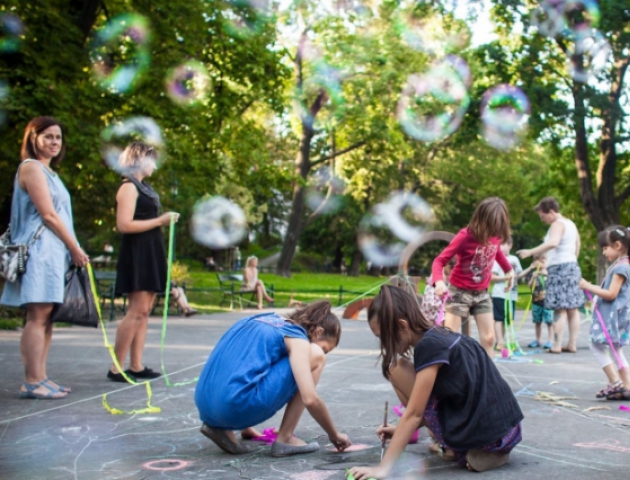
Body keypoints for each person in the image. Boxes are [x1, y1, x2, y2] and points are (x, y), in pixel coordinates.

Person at [348, 286, 523, 479]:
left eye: (383, 337)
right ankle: (463, 447)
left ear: (402, 326)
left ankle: (479, 450)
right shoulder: (441, 335)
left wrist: (383, 468)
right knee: (396, 368)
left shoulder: (429, 346)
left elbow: (414, 413)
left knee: (395, 368)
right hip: (505, 427)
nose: (384, 344)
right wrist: (400, 431)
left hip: (490, 434)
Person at [1, 117, 89, 399]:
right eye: (48, 136)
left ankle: (41, 376)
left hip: (54, 253)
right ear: (33, 138)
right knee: (37, 316)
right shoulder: (31, 168)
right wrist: (74, 247)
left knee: (47, 317)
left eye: (58, 137)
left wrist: (70, 248)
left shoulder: (51, 173)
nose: (54, 142)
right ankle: (31, 381)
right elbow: (48, 215)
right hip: (39, 252)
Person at [195, 301, 351, 456]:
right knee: (316, 356)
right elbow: (310, 399)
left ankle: (223, 428)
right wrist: (334, 434)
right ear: (317, 332)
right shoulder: (298, 338)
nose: (323, 352)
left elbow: (241, 366)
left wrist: (245, 427)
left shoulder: (262, 319)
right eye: (325, 348)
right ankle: (285, 438)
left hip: (205, 407)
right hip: (235, 407)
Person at [108, 142, 178, 383]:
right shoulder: (128, 187)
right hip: (138, 252)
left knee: (145, 311)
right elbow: (124, 224)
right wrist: (160, 221)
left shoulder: (144, 188)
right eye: (152, 161)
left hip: (150, 251)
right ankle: (116, 367)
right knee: (136, 310)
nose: (155, 166)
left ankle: (136, 365)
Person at [432, 197, 515, 358]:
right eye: (491, 227)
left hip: (482, 293)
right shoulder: (465, 236)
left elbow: (496, 251)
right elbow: (439, 260)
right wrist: (439, 282)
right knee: (450, 339)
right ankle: (446, 370)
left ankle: (488, 372)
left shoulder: (496, 235)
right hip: (459, 293)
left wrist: (509, 270)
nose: (493, 233)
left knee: (489, 338)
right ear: (481, 220)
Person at [579, 226, 630, 401]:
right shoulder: (623, 265)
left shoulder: (621, 268)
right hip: (616, 317)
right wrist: (592, 289)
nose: (604, 252)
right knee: (616, 350)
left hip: (613, 318)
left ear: (617, 245)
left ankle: (616, 383)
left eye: (605, 248)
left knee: (597, 345)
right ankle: (627, 387)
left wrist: (588, 286)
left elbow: (611, 294)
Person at [518, 197, 582, 354]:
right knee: (572, 308)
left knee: (559, 309)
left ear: (551, 212)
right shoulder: (571, 224)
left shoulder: (557, 224)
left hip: (559, 268)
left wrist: (531, 252)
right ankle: (572, 344)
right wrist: (572, 260)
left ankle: (557, 344)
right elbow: (577, 245)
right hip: (572, 266)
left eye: (542, 215)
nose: (542, 219)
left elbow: (553, 242)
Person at [490, 238, 522, 351]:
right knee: (499, 318)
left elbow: (519, 275)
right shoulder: (497, 259)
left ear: (510, 245)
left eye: (503, 244)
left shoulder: (514, 259)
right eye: (499, 245)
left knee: (507, 319)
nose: (500, 247)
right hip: (499, 294)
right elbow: (492, 277)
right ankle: (500, 341)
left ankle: (504, 340)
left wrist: (532, 268)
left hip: (512, 295)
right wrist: (505, 278)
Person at [523, 254, 554, 349]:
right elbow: (529, 286)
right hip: (536, 302)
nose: (541, 264)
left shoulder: (550, 273)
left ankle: (550, 340)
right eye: (539, 262)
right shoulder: (534, 274)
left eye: (543, 262)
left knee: (549, 322)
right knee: (537, 322)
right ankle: (538, 339)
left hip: (548, 302)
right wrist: (533, 277)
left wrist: (546, 274)